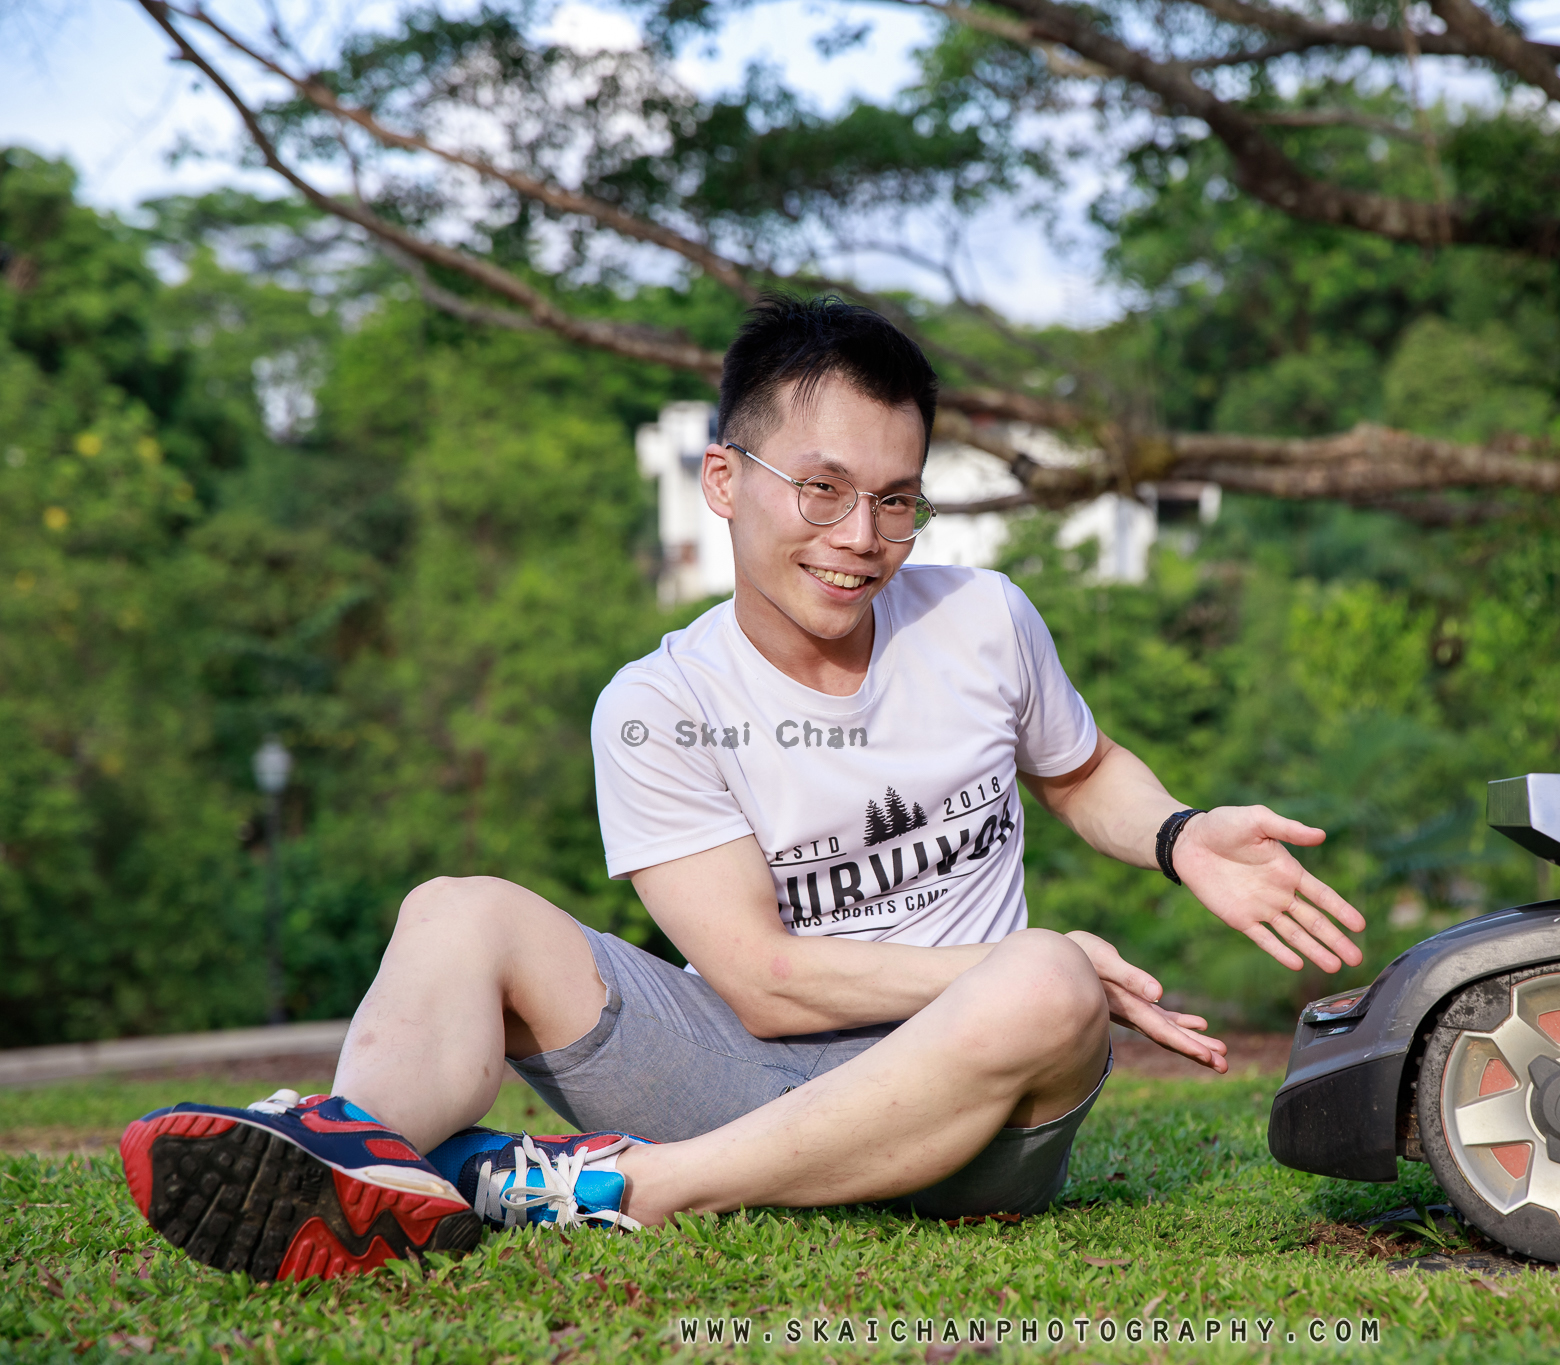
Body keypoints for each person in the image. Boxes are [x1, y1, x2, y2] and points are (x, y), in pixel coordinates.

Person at [118, 296, 1367, 1283]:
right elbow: (761, 985)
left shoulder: (983, 617)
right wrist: (1027, 959)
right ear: (726, 481)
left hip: (961, 1105)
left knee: (1041, 985)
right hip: (745, 1070)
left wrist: (1179, 833)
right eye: (820, 488)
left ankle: (626, 1191)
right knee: (458, 907)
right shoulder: (657, 702)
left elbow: (1079, 769)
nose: (859, 533)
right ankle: (355, 1164)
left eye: (894, 498)